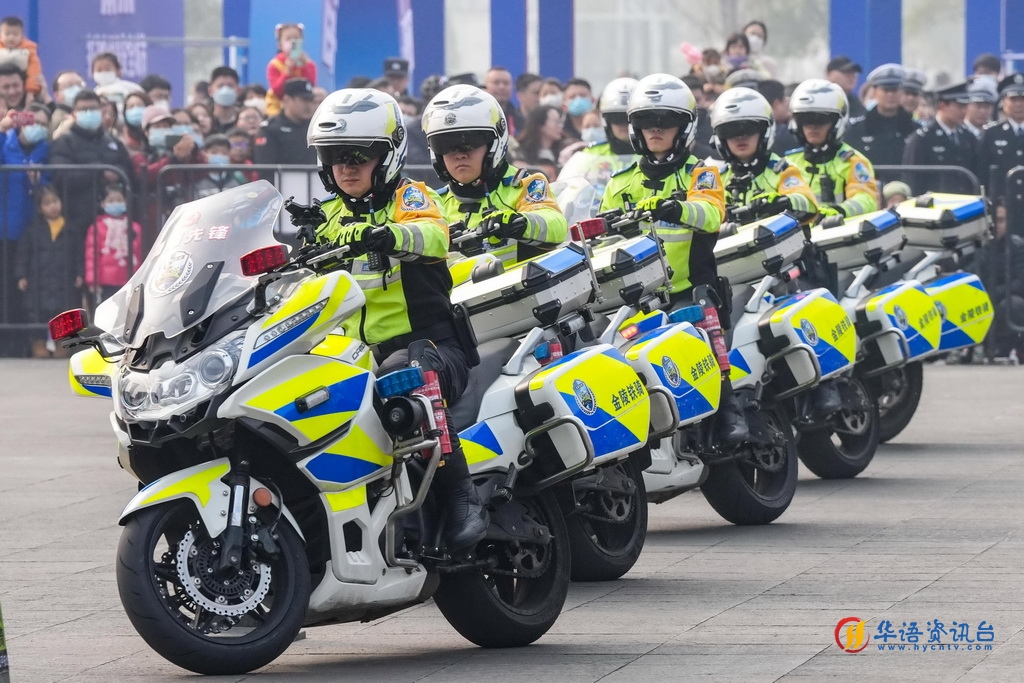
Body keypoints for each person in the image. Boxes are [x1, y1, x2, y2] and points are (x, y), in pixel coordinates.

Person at [308, 87, 487, 550]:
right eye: (335, 156)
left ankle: (462, 496)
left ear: (387, 156)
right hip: (351, 358)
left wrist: (389, 235)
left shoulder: (414, 197)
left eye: (359, 155)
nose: (347, 166)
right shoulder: (322, 219)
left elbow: (432, 234)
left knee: (402, 377)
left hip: (432, 350)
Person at [600, 73, 747, 445]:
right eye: (646, 123)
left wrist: (676, 207)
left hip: (689, 286)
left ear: (685, 127)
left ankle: (730, 410)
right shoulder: (620, 182)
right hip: (636, 297)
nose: (655, 130)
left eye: (666, 122)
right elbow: (603, 236)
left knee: (703, 336)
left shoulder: (703, 171)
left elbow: (712, 214)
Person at [422, 84, 567, 267]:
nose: (459, 154)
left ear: (494, 143)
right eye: (444, 145)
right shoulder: (434, 202)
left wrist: (519, 223)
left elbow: (556, 226)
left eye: (469, 143)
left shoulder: (526, 184)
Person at [710, 87, 817, 224]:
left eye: (748, 130)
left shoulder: (783, 170)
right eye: (730, 131)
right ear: (720, 138)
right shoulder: (719, 178)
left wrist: (777, 203)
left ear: (764, 132)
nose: (740, 138)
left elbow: (808, 203)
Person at [785, 79, 878, 219]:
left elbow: (867, 200)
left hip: (837, 235)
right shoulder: (788, 164)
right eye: (806, 120)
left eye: (821, 120)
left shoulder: (853, 162)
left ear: (837, 122)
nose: (813, 127)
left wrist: (839, 212)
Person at [49, 89, 135, 238]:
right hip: (77, 218)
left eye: (93, 109)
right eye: (83, 109)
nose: (89, 113)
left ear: (101, 112)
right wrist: (99, 172)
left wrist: (117, 174)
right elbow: (60, 176)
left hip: (113, 218)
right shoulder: (64, 142)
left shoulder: (113, 142)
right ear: (74, 114)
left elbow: (128, 171)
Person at [0, 102, 50, 353]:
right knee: (4, 286)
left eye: (42, 123)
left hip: (32, 231)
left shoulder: (45, 150)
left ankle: (24, 344)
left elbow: (51, 186)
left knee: (26, 289)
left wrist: (39, 181)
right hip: (5, 228)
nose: (36, 128)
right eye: (32, 121)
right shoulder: (5, 142)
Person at [15, 185, 83, 358]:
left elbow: (78, 253)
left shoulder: (71, 228)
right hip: (39, 279)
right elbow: (24, 253)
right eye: (47, 203)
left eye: (55, 201)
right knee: (37, 311)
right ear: (39, 208)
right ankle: (38, 342)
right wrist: (21, 274)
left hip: (64, 278)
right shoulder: (32, 230)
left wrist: (80, 272)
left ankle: (62, 343)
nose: (53, 206)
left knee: (63, 310)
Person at [557, 77, 639, 193]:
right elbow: (564, 193)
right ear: (605, 120)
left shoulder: (656, 155)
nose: (624, 124)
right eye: (617, 117)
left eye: (630, 118)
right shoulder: (588, 155)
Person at [903, 82, 978, 194]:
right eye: (959, 106)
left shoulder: (967, 136)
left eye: (965, 106)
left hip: (964, 203)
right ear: (942, 105)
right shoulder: (923, 138)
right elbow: (913, 179)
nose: (964, 111)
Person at [977, 201, 1024, 360]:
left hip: (1006, 297)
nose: (997, 225)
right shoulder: (979, 246)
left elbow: (1021, 281)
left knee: (1013, 305)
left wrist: (995, 293)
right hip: (982, 296)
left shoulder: (1017, 246)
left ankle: (1009, 349)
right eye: (994, 220)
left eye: (1001, 220)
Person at [846, 64, 917, 167]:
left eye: (895, 90)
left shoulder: (915, 129)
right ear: (874, 92)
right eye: (886, 90)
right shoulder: (856, 129)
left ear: (902, 92)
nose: (890, 95)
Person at [83, 183, 142, 306]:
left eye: (119, 200)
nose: (116, 203)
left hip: (128, 279)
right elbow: (92, 255)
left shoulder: (134, 227)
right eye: (111, 201)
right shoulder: (97, 227)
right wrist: (93, 280)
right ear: (103, 204)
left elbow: (139, 253)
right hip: (106, 282)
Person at [980, 73, 1024, 201]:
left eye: (1022, 99)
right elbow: (983, 173)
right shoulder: (991, 133)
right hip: (1003, 202)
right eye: (1013, 99)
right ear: (1003, 102)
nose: (1018, 105)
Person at [253, 77, 317, 166]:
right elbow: (266, 167)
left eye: (311, 100)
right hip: (282, 179)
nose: (309, 105)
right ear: (287, 100)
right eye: (304, 100)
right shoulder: (270, 129)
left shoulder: (317, 128)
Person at [265, 23, 316, 117]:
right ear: (280, 45)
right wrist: (287, 72)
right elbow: (277, 90)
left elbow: (310, 85)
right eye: (288, 39)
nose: (293, 42)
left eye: (296, 38)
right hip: (277, 109)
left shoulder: (309, 64)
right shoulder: (274, 64)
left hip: (303, 109)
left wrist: (304, 67)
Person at [514, 104, 565, 179]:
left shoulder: (564, 151)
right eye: (556, 122)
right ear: (540, 125)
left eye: (561, 123)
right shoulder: (521, 153)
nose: (560, 126)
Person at [0, 16, 42, 104]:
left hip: (23, 92)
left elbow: (34, 73)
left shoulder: (29, 51)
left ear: (22, 36)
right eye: (7, 34)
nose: (11, 38)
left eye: (15, 35)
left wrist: (31, 91)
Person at [192, 134, 243, 199]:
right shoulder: (198, 180)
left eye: (224, 153)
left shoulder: (236, 179)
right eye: (214, 152)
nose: (219, 156)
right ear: (204, 153)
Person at [758, 79, 798, 156]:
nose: (787, 104)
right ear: (776, 104)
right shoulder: (787, 134)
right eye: (785, 100)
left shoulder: (757, 132)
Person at [483, 66, 523, 137]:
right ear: (485, 87)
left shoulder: (521, 122)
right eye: (496, 82)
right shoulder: (478, 117)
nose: (502, 87)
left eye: (506, 83)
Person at [207, 66, 241, 133]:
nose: (225, 90)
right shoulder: (205, 121)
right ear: (210, 91)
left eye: (230, 86)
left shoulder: (243, 120)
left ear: (238, 91)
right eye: (220, 86)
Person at [561, 77, 594, 141]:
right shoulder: (560, 131)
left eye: (583, 95)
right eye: (572, 97)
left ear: (592, 100)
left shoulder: (603, 126)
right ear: (564, 105)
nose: (578, 99)